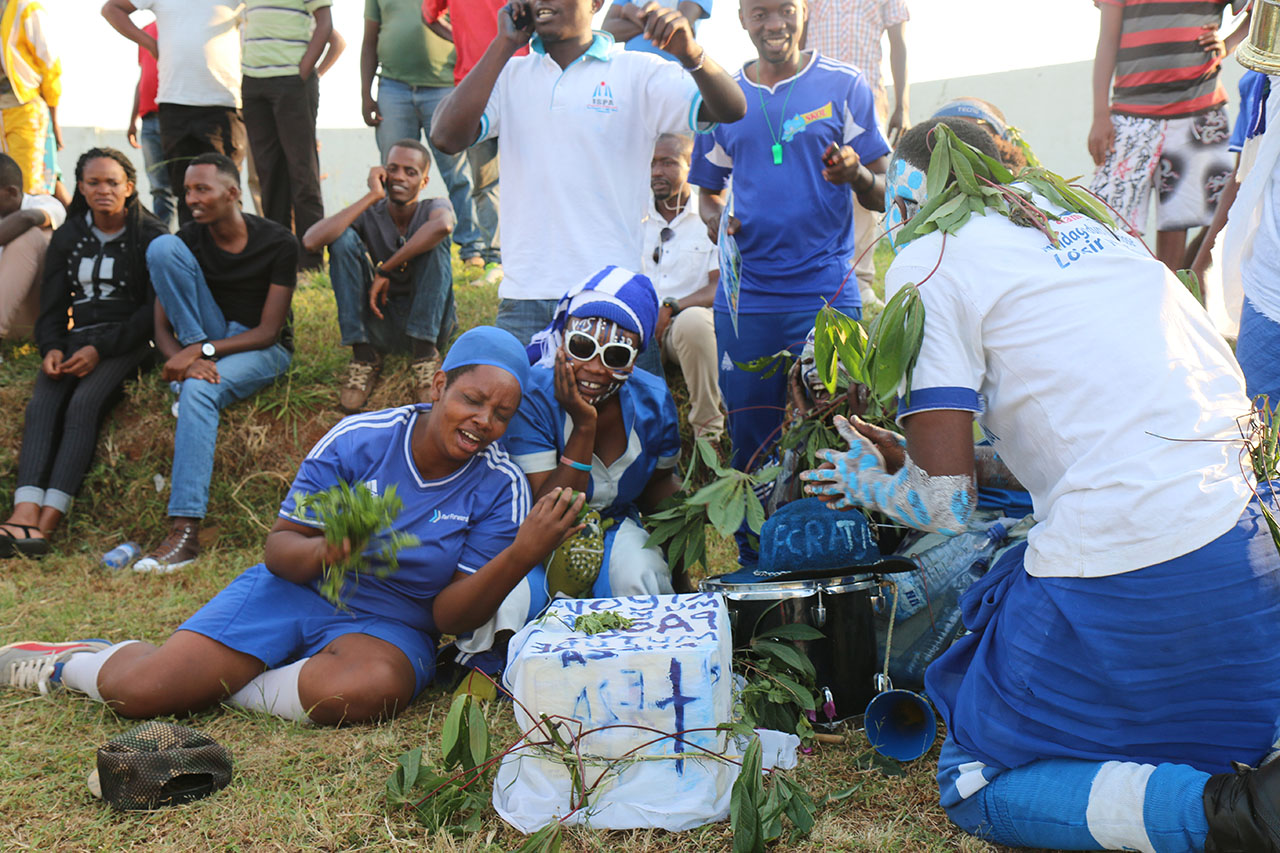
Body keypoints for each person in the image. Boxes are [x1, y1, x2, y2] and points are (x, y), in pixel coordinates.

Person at [803, 119, 1280, 853]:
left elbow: (948, 505)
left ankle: (1233, 814)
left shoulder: (927, 257)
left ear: (911, 202)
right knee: (1221, 731)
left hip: (1136, 561)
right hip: (1250, 542)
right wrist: (930, 455)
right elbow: (1094, 431)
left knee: (976, 780)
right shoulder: (1086, 219)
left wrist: (881, 487)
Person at [0, 328, 590, 726]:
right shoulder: (361, 440)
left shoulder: (500, 485)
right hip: (297, 588)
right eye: (471, 399)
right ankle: (67, 662)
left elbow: (447, 619)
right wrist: (330, 549)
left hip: (393, 625)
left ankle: (225, 682)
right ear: (439, 386)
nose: (483, 421)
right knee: (143, 694)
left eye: (501, 414)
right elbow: (280, 551)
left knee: (366, 689)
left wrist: (520, 554)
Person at [429, 0, 747, 346]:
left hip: (612, 293)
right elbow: (445, 137)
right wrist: (503, 44)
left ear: (596, 3)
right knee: (523, 400)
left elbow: (731, 108)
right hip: (525, 298)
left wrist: (691, 54)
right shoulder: (509, 75)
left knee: (626, 402)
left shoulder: (637, 72)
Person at [688, 0, 888, 522]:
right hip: (747, 301)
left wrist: (857, 177)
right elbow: (708, 193)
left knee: (841, 427)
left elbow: (885, 192)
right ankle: (757, 554)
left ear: (805, 12)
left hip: (826, 294)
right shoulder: (721, 96)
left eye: (785, 10)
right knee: (751, 437)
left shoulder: (846, 85)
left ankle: (843, 546)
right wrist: (717, 221)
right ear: (741, 19)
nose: (773, 23)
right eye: (759, 12)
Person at [464, 267, 680, 654]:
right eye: (582, 347)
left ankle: (630, 656)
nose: (595, 368)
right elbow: (549, 509)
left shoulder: (654, 399)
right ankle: (503, 665)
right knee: (507, 601)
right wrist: (583, 426)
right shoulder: (534, 393)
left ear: (636, 358)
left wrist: (680, 574)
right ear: (561, 338)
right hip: (534, 536)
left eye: (616, 354)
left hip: (612, 527)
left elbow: (661, 489)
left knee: (640, 572)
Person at [133, 153, 297, 573]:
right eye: (187, 190)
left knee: (198, 391)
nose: (191, 198)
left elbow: (268, 331)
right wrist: (185, 360)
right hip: (202, 340)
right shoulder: (188, 239)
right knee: (161, 245)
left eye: (201, 189)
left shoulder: (277, 241)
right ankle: (191, 383)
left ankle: (185, 531)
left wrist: (202, 355)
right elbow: (161, 327)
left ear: (233, 193)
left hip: (261, 348)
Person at [0, 148, 167, 556]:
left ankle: (47, 522)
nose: (103, 190)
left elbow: (150, 312)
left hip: (129, 341)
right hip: (78, 339)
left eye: (113, 182)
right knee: (42, 406)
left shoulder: (150, 234)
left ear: (130, 188)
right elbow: (54, 305)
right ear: (81, 188)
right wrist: (52, 347)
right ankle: (22, 513)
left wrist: (99, 349)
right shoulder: (69, 235)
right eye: (94, 182)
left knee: (84, 404)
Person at [1087, 0, 1249, 271]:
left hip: (1198, 113)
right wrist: (1100, 114)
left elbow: (1262, 10)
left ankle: (1173, 303)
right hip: (1130, 116)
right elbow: (1107, 41)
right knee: (1110, 224)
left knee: (1179, 222)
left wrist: (1228, 43)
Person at [302, 139, 456, 412]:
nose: (399, 176)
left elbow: (443, 225)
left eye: (410, 172)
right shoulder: (370, 212)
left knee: (435, 239)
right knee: (342, 239)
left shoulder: (434, 206)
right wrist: (373, 195)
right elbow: (311, 241)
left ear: (424, 181)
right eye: (393, 169)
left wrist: (386, 268)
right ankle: (363, 356)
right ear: (382, 173)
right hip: (381, 321)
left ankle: (424, 355)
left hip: (431, 322)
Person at [361, 0, 490, 272]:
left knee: (457, 173)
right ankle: (389, 246)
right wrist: (366, 95)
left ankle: (471, 248)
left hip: (444, 87)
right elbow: (369, 40)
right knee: (392, 174)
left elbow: (470, 28)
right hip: (393, 88)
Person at [802, 0, 908, 313]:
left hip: (866, 101)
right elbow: (798, 35)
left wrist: (902, 104)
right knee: (815, 178)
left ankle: (859, 281)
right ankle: (813, 274)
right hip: (813, 102)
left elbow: (898, 43)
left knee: (864, 183)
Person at [101, 0, 247, 226]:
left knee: (226, 192)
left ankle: (231, 259)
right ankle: (190, 256)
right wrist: (150, 43)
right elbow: (111, 9)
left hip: (223, 103)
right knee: (184, 192)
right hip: (174, 104)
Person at [420, 0, 515, 286]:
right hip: (475, 86)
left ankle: (528, 254)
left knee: (533, 175)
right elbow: (430, 15)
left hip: (524, 79)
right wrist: (461, 39)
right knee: (485, 180)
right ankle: (496, 260)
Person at [639, 133, 723, 439]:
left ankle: (708, 435)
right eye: (651, 163)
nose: (656, 171)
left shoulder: (712, 214)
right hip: (640, 327)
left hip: (683, 327)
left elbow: (719, 288)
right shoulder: (633, 213)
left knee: (693, 323)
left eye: (667, 162)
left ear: (691, 166)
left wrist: (671, 307)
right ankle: (637, 440)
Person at [240, 0, 333, 271]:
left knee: (302, 171)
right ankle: (279, 257)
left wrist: (302, 71)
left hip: (291, 80)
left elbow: (325, 24)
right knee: (268, 172)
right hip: (253, 83)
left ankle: (311, 260)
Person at [0, 152, 67, 346]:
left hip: (35, 319)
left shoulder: (46, 204)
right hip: (11, 316)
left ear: (12, 192)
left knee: (30, 235)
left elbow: (27, 219)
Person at [0, 0, 59, 196]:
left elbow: (49, 63)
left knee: (25, 188)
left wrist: (53, 117)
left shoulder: (27, 8)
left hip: (23, 107)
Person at [125, 21, 175, 230]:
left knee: (182, 183)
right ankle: (162, 235)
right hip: (148, 120)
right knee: (159, 187)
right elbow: (143, 77)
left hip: (174, 115)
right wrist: (132, 120)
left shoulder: (177, 25)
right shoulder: (144, 31)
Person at [601, 0, 712, 64]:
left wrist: (631, 11)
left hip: (672, 69)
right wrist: (655, 21)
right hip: (631, 69)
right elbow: (607, 29)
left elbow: (679, 26)